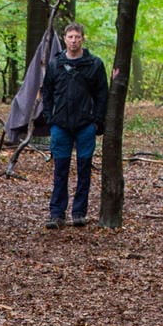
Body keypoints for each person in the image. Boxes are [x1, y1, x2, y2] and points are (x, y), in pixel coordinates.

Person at [39, 22, 108, 228]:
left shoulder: (94, 64)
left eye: (77, 37)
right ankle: (57, 213)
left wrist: (97, 122)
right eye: (70, 37)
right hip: (60, 125)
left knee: (84, 169)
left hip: (85, 124)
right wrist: (50, 117)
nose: (74, 40)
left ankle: (79, 212)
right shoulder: (55, 64)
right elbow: (47, 92)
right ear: (65, 38)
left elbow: (102, 94)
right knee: (60, 170)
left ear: (83, 39)